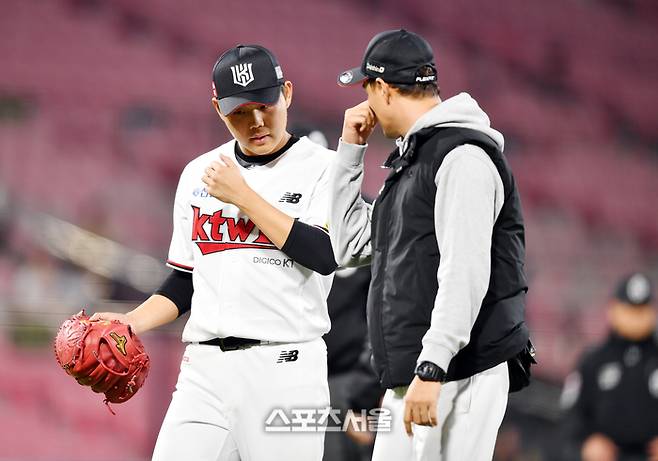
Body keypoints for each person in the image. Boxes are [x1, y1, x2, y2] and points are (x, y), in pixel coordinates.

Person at [92, 44, 338, 461]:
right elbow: (187, 278)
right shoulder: (198, 173)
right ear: (219, 109)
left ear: (288, 93)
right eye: (240, 111)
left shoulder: (326, 168)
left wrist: (243, 197)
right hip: (205, 370)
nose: (256, 121)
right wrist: (132, 321)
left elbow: (326, 253)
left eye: (265, 104)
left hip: (285, 367)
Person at [328, 29, 532, 460]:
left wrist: (431, 367)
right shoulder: (414, 160)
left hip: (460, 369)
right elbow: (347, 247)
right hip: (421, 373)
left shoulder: (463, 156)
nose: (365, 100)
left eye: (366, 87)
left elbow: (465, 272)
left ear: (382, 88)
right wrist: (350, 151)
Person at [561, 273, 658, 461]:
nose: (635, 319)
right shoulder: (593, 360)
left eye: (641, 311)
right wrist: (584, 444)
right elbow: (571, 413)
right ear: (613, 309)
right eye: (629, 310)